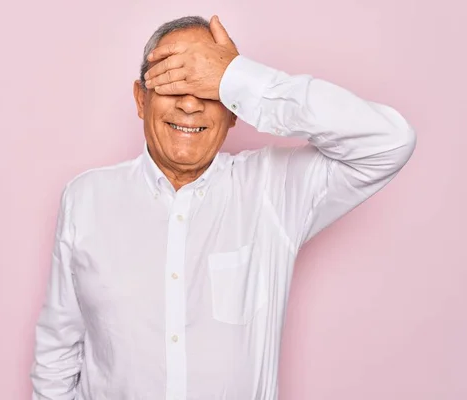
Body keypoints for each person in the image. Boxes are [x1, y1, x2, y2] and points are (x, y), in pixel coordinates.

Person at [30, 14, 416, 400]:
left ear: (233, 110)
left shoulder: (274, 190)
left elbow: (389, 142)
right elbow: (58, 349)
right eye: (173, 82)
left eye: (206, 87)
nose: (189, 104)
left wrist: (237, 78)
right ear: (140, 99)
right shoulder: (85, 199)